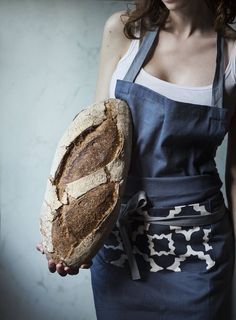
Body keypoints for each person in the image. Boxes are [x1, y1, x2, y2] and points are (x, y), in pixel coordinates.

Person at [37, 0, 236, 319]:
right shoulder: (123, 30)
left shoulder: (232, 52)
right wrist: (74, 230)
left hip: (200, 253)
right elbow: (96, 140)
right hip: (118, 246)